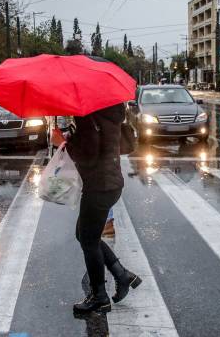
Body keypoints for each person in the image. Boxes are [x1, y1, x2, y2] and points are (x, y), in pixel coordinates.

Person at [55, 103, 142, 314]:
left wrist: (63, 143)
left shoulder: (88, 115)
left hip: (99, 186)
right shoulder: (110, 111)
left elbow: (88, 155)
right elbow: (99, 144)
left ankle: (100, 297)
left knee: (88, 240)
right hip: (110, 183)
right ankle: (122, 275)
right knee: (84, 235)